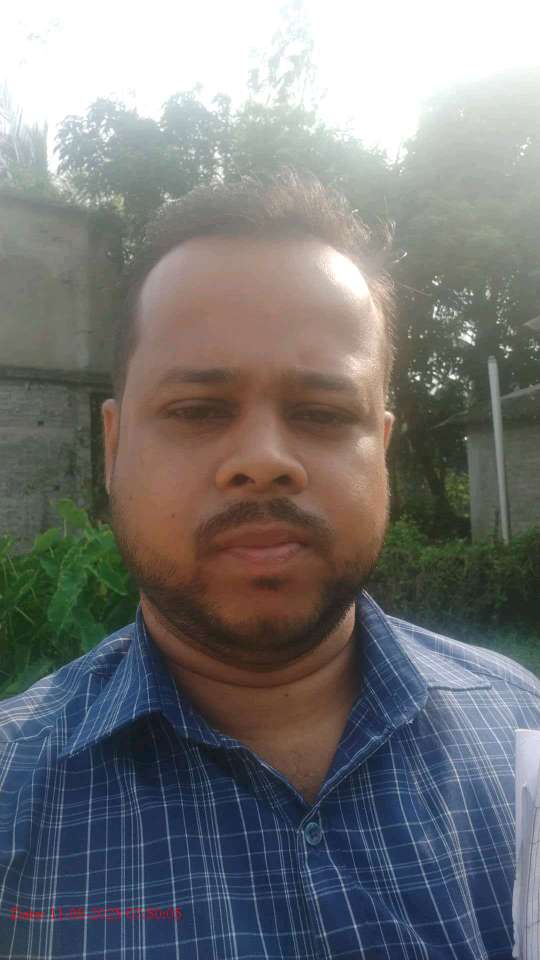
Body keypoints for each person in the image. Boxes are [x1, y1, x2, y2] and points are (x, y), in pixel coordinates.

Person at [0, 170, 538, 960]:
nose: (262, 460)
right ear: (114, 448)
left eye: (323, 413)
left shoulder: (525, 729)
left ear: (382, 451)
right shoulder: (12, 792)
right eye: (197, 410)